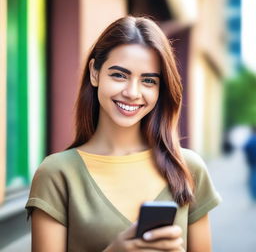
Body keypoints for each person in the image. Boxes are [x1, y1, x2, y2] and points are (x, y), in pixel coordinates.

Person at [25, 16, 221, 252]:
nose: (132, 92)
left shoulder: (187, 167)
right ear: (95, 73)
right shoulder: (57, 173)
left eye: (148, 80)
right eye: (119, 75)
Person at [244, 126, 256, 201]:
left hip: (252, 161)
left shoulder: (250, 139)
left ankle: (253, 195)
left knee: (253, 177)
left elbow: (245, 147)